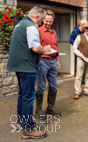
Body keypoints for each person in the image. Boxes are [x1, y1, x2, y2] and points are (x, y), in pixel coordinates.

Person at [6, 6, 49, 139]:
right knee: (28, 97)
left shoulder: (19, 24)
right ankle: (29, 128)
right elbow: (35, 48)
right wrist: (46, 49)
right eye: (41, 20)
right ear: (36, 17)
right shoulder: (30, 26)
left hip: (20, 66)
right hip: (27, 67)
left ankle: (21, 121)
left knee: (22, 95)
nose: (40, 23)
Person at [35, 10, 61, 120]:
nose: (48, 23)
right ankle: (38, 109)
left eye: (50, 21)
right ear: (43, 20)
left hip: (53, 61)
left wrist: (58, 61)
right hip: (42, 60)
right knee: (41, 85)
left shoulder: (54, 32)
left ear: (53, 21)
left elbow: (56, 48)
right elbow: (35, 47)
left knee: (54, 85)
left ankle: (50, 108)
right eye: (46, 21)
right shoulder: (38, 30)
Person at [73, 22, 88, 99]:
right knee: (79, 76)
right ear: (84, 29)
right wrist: (80, 55)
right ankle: (77, 92)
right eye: (86, 28)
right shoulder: (79, 37)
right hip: (81, 58)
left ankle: (87, 91)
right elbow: (74, 47)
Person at [70, 19, 87, 84]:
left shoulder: (85, 31)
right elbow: (71, 40)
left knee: (85, 65)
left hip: (85, 51)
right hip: (78, 51)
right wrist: (77, 44)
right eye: (85, 25)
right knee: (79, 66)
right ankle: (79, 80)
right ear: (82, 25)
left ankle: (84, 79)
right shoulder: (75, 32)